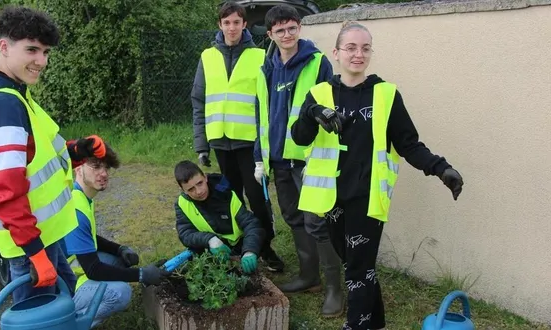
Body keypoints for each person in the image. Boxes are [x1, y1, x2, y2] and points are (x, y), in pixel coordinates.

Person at [291, 21, 464, 330]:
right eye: (351, 47)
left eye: (365, 48)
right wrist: (312, 114)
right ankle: (377, 323)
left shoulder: (386, 94)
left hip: (367, 198)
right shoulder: (318, 94)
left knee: (357, 271)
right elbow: (299, 138)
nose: (359, 54)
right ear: (337, 52)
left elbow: (409, 143)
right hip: (330, 199)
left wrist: (441, 168)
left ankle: (356, 325)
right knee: (359, 264)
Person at [0, 5, 107, 303]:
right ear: (4, 47)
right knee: (41, 318)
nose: (41, 61)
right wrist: (35, 253)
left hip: (44, 238)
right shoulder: (4, 105)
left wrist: (78, 151)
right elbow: (8, 193)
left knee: (65, 307)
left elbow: (41, 156)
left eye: (46, 52)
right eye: (32, 50)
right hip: (30, 246)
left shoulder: (18, 94)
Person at [252, 4, 345, 317]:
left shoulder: (317, 63)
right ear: (270, 35)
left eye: (292, 27)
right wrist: (259, 158)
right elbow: (261, 116)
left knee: (317, 222)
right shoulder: (266, 68)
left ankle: (334, 288)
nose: (287, 34)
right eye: (280, 30)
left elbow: (330, 105)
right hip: (278, 159)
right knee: (293, 218)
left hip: (309, 158)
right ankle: (309, 277)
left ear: (299, 28)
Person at [191, 1, 284, 272]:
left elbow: (268, 103)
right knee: (231, 200)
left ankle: (265, 248)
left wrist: (267, 145)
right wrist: (202, 145)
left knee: (258, 200)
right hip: (220, 141)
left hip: (251, 144)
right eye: (226, 22)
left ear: (245, 24)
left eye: (236, 22)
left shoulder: (259, 57)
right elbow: (199, 101)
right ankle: (241, 247)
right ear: (220, 25)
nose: (231, 27)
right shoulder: (207, 56)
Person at [61, 142, 170, 327]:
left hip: (72, 269)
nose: (103, 173)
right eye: (96, 166)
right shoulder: (76, 208)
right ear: (78, 168)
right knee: (120, 293)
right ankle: (70, 322)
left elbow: (89, 239)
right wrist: (142, 274)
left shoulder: (81, 195)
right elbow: (93, 269)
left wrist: (119, 249)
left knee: (119, 261)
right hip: (63, 286)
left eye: (106, 167)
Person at [173, 160, 264, 274]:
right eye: (191, 189)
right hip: (210, 251)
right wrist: (210, 239)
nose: (199, 191)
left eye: (200, 183)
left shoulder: (225, 193)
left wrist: (250, 250)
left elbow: (251, 224)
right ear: (183, 191)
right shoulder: (182, 204)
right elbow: (185, 234)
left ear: (205, 177)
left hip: (239, 248)